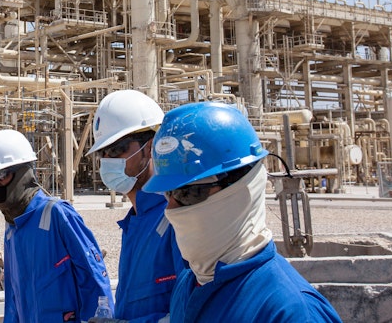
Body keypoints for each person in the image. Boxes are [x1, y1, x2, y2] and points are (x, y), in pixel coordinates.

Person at [143, 102, 342, 322]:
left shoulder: (290, 312)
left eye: (187, 194)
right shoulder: (188, 285)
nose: (170, 209)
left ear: (242, 189)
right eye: (167, 193)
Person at [0, 129, 113, 322]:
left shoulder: (56, 215)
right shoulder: (12, 229)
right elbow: (13, 300)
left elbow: (95, 280)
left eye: (0, 174)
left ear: (23, 173)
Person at [85, 90, 186, 323]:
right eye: (104, 152)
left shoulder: (175, 219)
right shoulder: (134, 223)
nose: (108, 159)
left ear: (150, 148)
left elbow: (194, 310)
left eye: (117, 148)